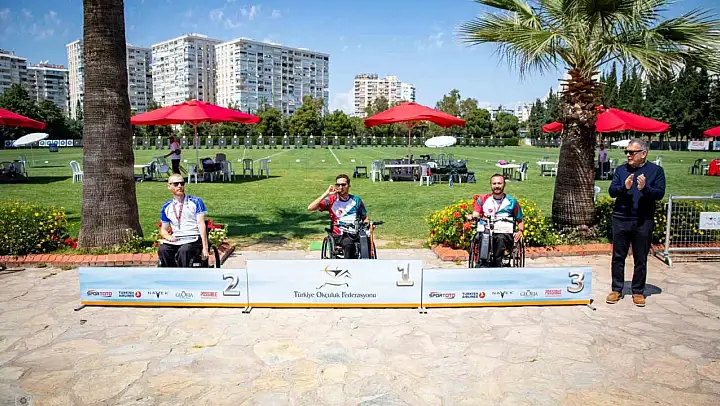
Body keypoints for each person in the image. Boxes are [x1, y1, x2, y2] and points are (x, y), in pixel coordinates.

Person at [606, 138, 665, 307]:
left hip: (643, 220)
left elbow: (659, 194)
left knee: (640, 258)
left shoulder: (656, 171)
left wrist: (645, 188)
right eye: (627, 152)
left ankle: (638, 291)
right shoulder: (621, 170)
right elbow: (612, 191)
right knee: (618, 256)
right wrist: (624, 187)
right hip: (621, 218)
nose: (628, 155)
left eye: (632, 152)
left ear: (643, 153)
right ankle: (617, 289)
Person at [466, 174, 524, 267]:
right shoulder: (482, 199)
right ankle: (483, 263)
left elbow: (519, 219)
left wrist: (520, 231)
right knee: (485, 236)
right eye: (494, 183)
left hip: (504, 232)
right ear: (491, 185)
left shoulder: (512, 202)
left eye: (499, 183)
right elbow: (476, 213)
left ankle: (498, 263)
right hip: (486, 230)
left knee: (501, 238)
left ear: (504, 184)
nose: (497, 186)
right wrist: (473, 217)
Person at [308, 174, 368, 259]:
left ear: (348, 186)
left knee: (366, 241)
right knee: (348, 244)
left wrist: (368, 224)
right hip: (340, 235)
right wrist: (326, 194)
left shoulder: (356, 200)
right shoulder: (331, 200)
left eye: (343, 185)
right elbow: (310, 208)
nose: (340, 187)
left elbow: (365, 217)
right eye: (338, 185)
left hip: (356, 233)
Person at [158, 173, 209, 267]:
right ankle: (170, 271)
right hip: (177, 239)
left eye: (182, 183)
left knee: (184, 251)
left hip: (194, 238)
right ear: (169, 186)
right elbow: (163, 230)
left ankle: (183, 273)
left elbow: (201, 224)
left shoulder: (196, 202)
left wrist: (205, 248)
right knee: (163, 249)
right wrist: (168, 237)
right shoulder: (167, 206)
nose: (179, 186)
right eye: (176, 184)